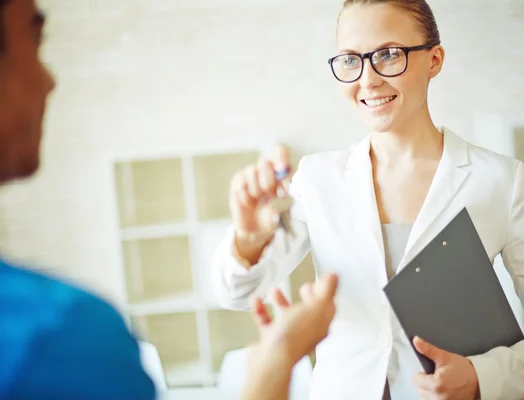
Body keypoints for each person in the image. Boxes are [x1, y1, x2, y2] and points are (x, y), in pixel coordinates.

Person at [212, 0, 524, 399]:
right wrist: (247, 240)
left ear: (435, 59)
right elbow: (236, 293)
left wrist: (483, 375)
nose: (368, 79)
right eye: (350, 60)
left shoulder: (498, 180)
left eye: (389, 55)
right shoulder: (317, 180)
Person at [0, 1, 335, 399]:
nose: (49, 80)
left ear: (433, 60)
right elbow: (238, 290)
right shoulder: (58, 334)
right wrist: (277, 360)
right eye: (34, 42)